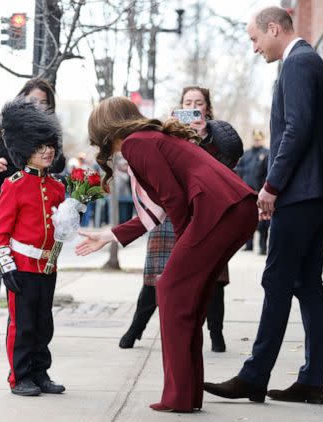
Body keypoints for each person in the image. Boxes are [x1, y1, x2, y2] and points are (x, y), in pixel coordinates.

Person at [76, 96, 258, 412]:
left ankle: (179, 396)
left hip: (220, 210)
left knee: (171, 289)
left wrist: (182, 246)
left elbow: (173, 199)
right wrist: (110, 236)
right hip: (235, 208)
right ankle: (187, 395)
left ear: (105, 129)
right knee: (190, 299)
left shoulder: (136, 144)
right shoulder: (149, 139)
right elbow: (159, 206)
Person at [203, 7, 323, 405]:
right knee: (307, 284)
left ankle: (254, 376)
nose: (254, 48)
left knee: (278, 279)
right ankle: (313, 382)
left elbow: (296, 130)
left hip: (301, 192)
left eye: (254, 39)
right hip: (318, 192)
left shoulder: (297, 64)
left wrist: (271, 186)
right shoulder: (311, 61)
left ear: (273, 29)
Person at [119, 86, 243, 353]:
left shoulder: (219, 134)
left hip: (204, 210)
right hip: (167, 213)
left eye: (198, 103)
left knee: (214, 277)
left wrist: (204, 137)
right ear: (179, 106)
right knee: (156, 275)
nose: (193, 106)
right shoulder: (165, 131)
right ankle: (135, 330)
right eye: (188, 102)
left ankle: (216, 334)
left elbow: (227, 164)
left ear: (207, 108)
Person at [0, 78, 66, 346]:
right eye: (32, 99)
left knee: (25, 272)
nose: (37, 105)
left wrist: (43, 155)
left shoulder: (49, 131)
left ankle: (20, 328)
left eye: (44, 102)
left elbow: (59, 161)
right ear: (21, 97)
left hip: (31, 205)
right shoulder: (0, 123)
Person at [0, 99, 66, 396]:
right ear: (25, 150)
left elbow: (58, 229)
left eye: (49, 145)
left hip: (48, 266)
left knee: (43, 325)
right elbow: (0, 234)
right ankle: (19, 376)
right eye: (39, 147)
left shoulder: (58, 188)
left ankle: (40, 372)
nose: (47, 151)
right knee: (21, 326)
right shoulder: (14, 184)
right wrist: (6, 268)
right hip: (21, 267)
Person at [235, 130, 270, 254]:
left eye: (259, 139)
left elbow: (268, 173)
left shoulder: (267, 153)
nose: (257, 141)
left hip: (261, 192)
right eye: (255, 139)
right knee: (247, 219)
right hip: (247, 192)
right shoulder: (246, 154)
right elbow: (238, 169)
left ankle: (263, 247)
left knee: (263, 221)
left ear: (263, 139)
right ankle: (248, 245)